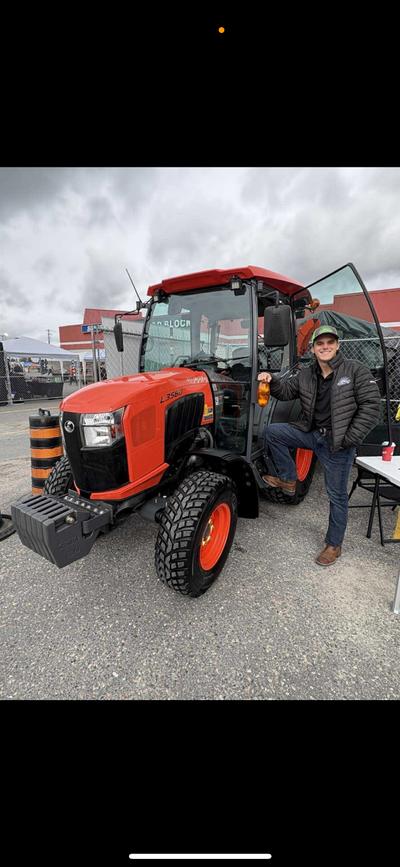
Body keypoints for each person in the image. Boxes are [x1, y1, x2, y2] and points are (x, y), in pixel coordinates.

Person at [258, 325, 381, 566]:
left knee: (336, 496)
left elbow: (371, 408)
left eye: (329, 342)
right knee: (273, 432)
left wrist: (348, 440)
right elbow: (284, 393)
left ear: (337, 346)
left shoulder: (354, 370)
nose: (325, 347)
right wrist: (271, 380)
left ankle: (334, 544)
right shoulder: (306, 375)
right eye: (319, 343)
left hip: (338, 444)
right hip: (313, 434)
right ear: (313, 349)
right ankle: (289, 478)